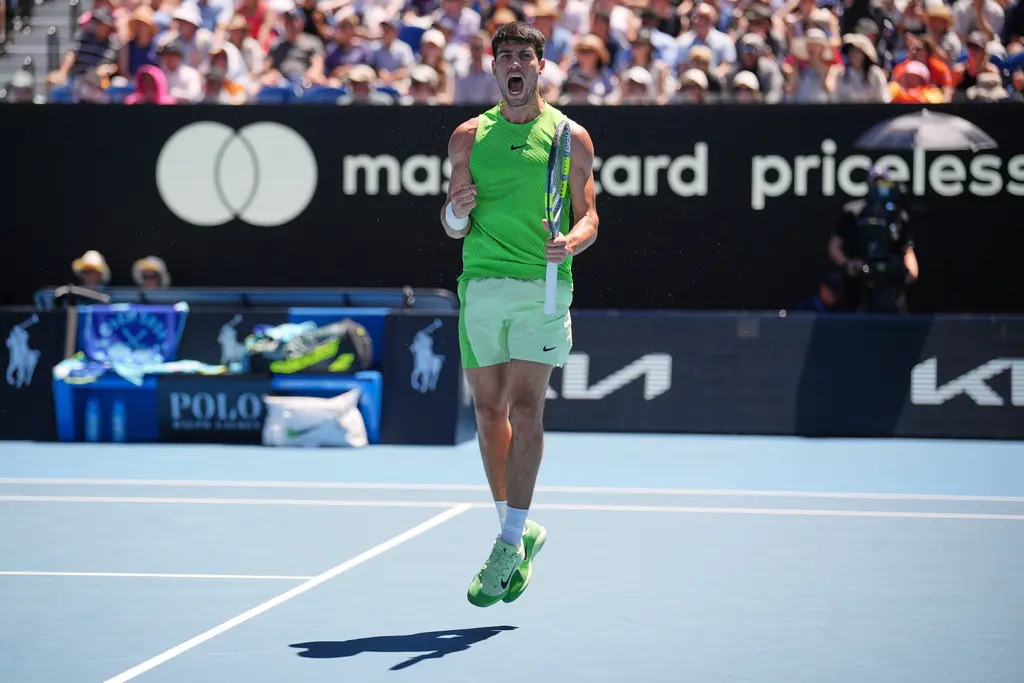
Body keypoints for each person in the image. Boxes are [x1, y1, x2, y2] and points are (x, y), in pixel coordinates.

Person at [438, 20, 599, 608]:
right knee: (488, 413)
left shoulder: (570, 137)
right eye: (504, 56)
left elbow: (590, 217)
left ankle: (507, 540)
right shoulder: (466, 137)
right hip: (481, 283)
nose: (514, 66)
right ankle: (520, 526)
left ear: (539, 67)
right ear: (494, 66)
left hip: (543, 286)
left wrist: (572, 243)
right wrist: (456, 212)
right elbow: (453, 223)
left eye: (524, 58)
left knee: (527, 408)